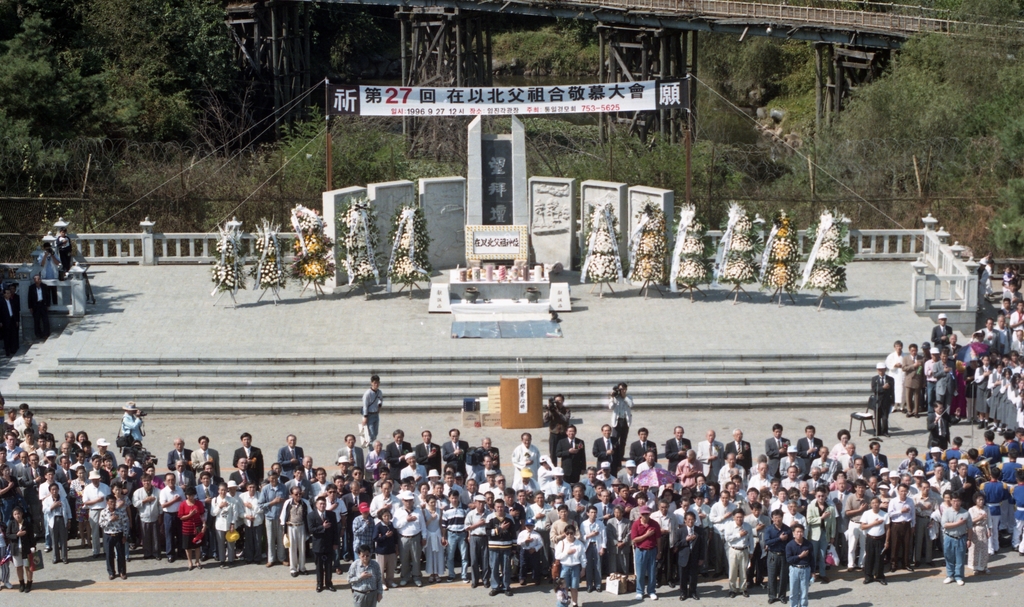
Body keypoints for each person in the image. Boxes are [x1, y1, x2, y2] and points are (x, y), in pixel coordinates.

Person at [486, 498, 518, 596]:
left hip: (507, 547)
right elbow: (488, 532)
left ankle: (506, 587)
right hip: (494, 547)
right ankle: (495, 587)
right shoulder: (490, 518)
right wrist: (500, 529)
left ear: (505, 507)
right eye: (498, 507)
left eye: (502, 507)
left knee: (506, 568)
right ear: (494, 507)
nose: (500, 509)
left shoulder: (509, 518)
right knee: (494, 567)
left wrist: (514, 548)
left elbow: (513, 534)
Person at [309, 495, 339, 592]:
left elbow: (335, 530)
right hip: (318, 544)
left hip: (329, 544)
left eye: (324, 504)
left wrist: (335, 543)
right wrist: (322, 527)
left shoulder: (331, 514)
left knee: (329, 565)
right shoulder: (311, 515)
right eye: (320, 504)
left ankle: (329, 583)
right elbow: (311, 529)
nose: (322, 506)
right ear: (316, 505)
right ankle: (319, 584)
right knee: (319, 566)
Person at [805, 488, 836, 583]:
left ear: (826, 496)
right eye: (819, 496)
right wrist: (821, 518)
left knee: (822, 555)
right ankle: (812, 573)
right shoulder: (811, 506)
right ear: (815, 496)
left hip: (825, 534)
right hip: (814, 534)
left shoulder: (830, 508)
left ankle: (822, 574)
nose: (821, 498)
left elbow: (833, 523)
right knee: (813, 555)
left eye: (822, 496)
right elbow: (809, 520)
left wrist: (832, 536)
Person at [631, 504, 661, 601]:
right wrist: (647, 535)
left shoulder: (655, 524)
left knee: (652, 572)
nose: (645, 516)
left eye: (647, 514)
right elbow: (634, 539)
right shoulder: (636, 524)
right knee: (640, 573)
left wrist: (659, 552)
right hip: (640, 550)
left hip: (652, 550)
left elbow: (658, 539)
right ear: (640, 514)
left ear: (650, 514)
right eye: (643, 514)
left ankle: (651, 591)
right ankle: (640, 591)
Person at [940, 491, 970, 586]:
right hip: (949, 537)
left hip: (961, 537)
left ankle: (959, 576)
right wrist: (958, 523)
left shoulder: (965, 513)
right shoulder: (947, 512)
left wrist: (969, 539)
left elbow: (970, 527)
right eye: (954, 501)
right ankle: (950, 575)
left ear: (961, 501)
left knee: (960, 558)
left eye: (957, 501)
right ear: (951, 501)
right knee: (949, 557)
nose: (956, 503)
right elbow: (945, 525)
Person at [280, 486, 311, 577]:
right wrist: (284, 529)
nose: (298, 495)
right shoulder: (287, 503)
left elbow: (310, 514)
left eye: (300, 493)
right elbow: (283, 515)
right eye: (296, 494)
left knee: (302, 548)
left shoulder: (305, 503)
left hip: (301, 526)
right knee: (292, 548)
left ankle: (302, 568)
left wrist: (309, 529)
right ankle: (293, 569)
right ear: (292, 495)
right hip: (291, 527)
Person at [724, 509, 754, 598]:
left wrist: (751, 551)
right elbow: (727, 538)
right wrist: (739, 535)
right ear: (733, 517)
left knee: (743, 571)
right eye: (737, 517)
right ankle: (732, 589)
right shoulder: (729, 526)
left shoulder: (747, 526)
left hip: (744, 550)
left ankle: (743, 589)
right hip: (733, 550)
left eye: (741, 517)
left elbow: (751, 540)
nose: (739, 519)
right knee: (732, 571)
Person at [99, 494, 128, 580]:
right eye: (111, 502)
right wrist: (109, 520)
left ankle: (122, 572)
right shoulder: (103, 512)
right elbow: (101, 524)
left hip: (119, 534)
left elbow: (125, 524)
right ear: (107, 502)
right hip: (108, 535)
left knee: (121, 554)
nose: (113, 504)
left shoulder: (121, 511)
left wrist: (125, 535)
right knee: (109, 555)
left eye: (114, 502)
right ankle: (111, 573)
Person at [6, 506, 35, 592]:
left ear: (21, 514)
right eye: (15, 514)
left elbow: (31, 536)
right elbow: (8, 535)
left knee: (27, 566)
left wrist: (33, 546)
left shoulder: (27, 523)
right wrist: (17, 535)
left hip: (26, 549)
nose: (17, 516)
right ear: (13, 515)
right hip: (15, 549)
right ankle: (21, 584)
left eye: (18, 513)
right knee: (18, 567)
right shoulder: (11, 523)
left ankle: (29, 583)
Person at [785, 524, 813, 607]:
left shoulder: (808, 544)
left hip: (805, 569)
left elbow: (812, 559)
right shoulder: (789, 545)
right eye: (797, 532)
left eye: (801, 532)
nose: (799, 534)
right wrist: (800, 556)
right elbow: (789, 559)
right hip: (794, 569)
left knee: (804, 593)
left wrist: (813, 572)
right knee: (793, 592)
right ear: (793, 533)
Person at [41, 482, 70, 564]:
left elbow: (68, 510)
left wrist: (69, 520)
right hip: (52, 520)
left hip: (62, 519)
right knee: (54, 540)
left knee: (63, 539)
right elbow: (44, 510)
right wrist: (52, 507)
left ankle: (64, 557)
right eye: (52, 490)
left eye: (56, 489)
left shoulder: (63, 499)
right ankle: (55, 557)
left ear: (58, 490)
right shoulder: (47, 500)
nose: (54, 491)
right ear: (50, 491)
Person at [608, 383, 633, 465]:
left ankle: (621, 456)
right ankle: (614, 455)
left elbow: (631, 405)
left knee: (623, 440)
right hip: (617, 421)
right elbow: (611, 407)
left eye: (623, 389)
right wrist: (612, 397)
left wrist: (624, 396)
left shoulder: (629, 397)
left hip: (625, 421)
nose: (621, 391)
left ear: (626, 389)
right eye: (620, 389)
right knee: (615, 440)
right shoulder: (615, 397)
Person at [966, 492, 990, 574]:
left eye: (982, 499)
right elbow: (970, 522)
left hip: (983, 530)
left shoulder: (987, 509)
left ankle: (984, 566)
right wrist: (979, 518)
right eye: (979, 500)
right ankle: (975, 567)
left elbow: (989, 521)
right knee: (975, 549)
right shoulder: (971, 510)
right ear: (975, 500)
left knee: (984, 548)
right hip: (975, 530)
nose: (981, 501)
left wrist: (989, 530)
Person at [545, 394, 571, 463]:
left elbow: (565, 419)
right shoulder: (552, 409)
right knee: (553, 453)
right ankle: (554, 469)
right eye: (557, 401)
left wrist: (557, 412)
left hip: (563, 434)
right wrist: (548, 410)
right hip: (554, 434)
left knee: (565, 452)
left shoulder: (567, 410)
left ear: (563, 401)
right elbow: (545, 420)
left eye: (560, 400)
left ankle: (564, 468)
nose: (558, 402)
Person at [871, 363, 894, 437]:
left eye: (882, 369)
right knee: (877, 417)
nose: (881, 371)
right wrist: (883, 388)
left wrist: (893, 400)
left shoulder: (890, 379)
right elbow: (874, 389)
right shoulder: (874, 379)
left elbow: (892, 390)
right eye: (879, 370)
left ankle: (885, 431)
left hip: (886, 401)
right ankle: (877, 431)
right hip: (877, 401)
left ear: (885, 370)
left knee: (885, 417)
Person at [27, 275, 50, 340]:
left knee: (45, 320)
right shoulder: (31, 287)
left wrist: (47, 305)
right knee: (36, 321)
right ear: (34, 280)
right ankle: (38, 334)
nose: (39, 280)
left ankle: (46, 333)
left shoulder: (44, 286)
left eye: (39, 279)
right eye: (37, 279)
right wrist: (30, 307)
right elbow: (29, 298)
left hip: (43, 304)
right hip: (35, 305)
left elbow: (48, 296)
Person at [362, 375, 383, 443]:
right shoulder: (368, 393)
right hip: (369, 415)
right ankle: (371, 450)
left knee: (376, 432)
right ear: (371, 383)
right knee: (371, 434)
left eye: (377, 383)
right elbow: (365, 405)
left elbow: (381, 399)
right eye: (374, 383)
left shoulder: (379, 392)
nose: (376, 384)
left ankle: (373, 447)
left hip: (376, 414)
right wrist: (365, 416)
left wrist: (379, 406)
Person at [1, 287, 20, 357]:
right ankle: (7, 350)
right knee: (6, 336)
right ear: (4, 294)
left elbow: (15, 311)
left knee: (13, 335)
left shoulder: (11, 301)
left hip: (12, 319)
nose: (9, 294)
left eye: (9, 293)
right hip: (5, 320)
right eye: (7, 293)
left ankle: (13, 349)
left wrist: (17, 320)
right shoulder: (1, 302)